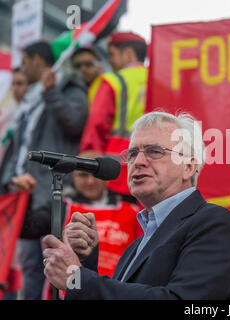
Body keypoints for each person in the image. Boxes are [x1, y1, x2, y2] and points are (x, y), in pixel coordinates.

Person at [42, 111, 230, 300]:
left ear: (188, 167)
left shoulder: (214, 223)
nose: (138, 161)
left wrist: (76, 278)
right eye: (132, 154)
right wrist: (84, 262)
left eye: (154, 151)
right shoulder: (134, 248)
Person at [0, 41, 88, 299]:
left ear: (38, 61)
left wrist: (52, 93)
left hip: (54, 196)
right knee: (30, 268)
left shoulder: (68, 89)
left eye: (25, 62)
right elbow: (18, 149)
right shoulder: (30, 100)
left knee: (57, 268)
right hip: (25, 197)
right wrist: (10, 182)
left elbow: (74, 123)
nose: (23, 69)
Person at [79, 32, 149, 196]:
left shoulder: (112, 81)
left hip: (117, 174)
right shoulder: (159, 80)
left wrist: (87, 168)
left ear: (128, 53)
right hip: (154, 173)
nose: (109, 60)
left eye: (112, 54)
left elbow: (96, 126)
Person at [0, 68, 28, 163]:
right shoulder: (6, 108)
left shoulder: (31, 113)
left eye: (19, 83)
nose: (15, 89)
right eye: (13, 84)